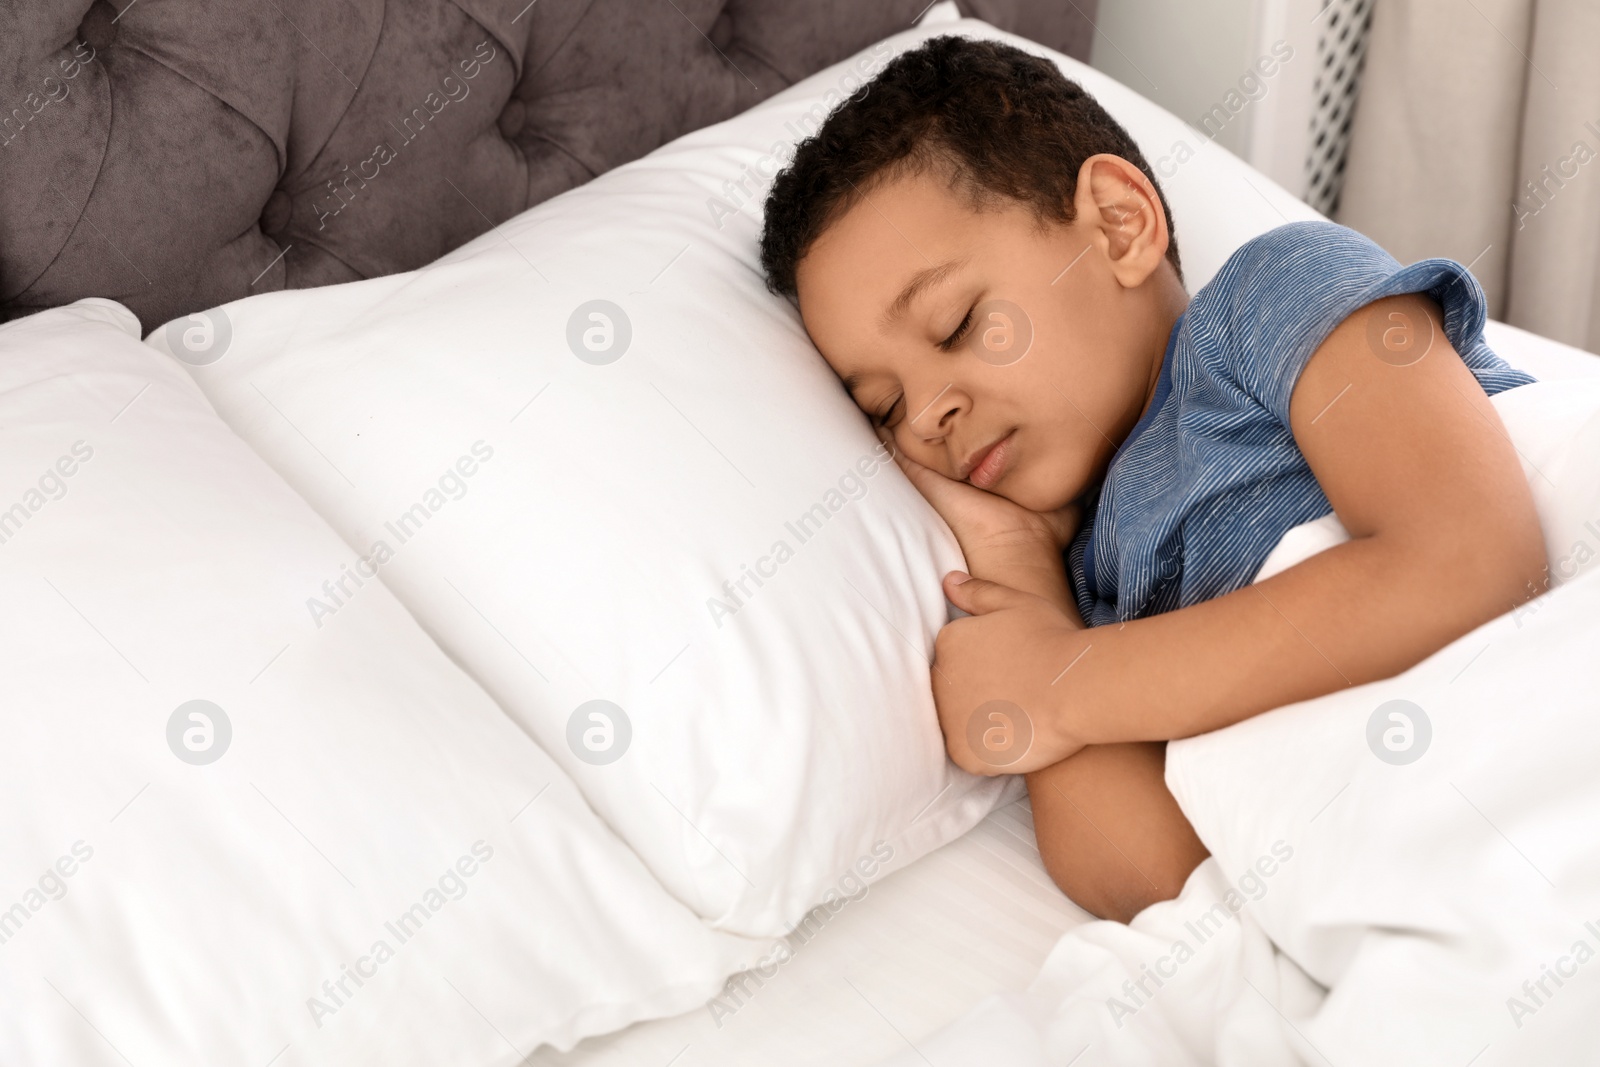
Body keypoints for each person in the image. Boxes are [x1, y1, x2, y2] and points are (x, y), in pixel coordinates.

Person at [758, 35, 1544, 922]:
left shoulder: (1271, 299)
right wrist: (1028, 590)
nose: (927, 412)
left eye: (954, 325)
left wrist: (1060, 683)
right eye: (883, 406)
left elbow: (1474, 561)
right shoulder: (1101, 589)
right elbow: (1167, 882)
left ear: (1118, 226)